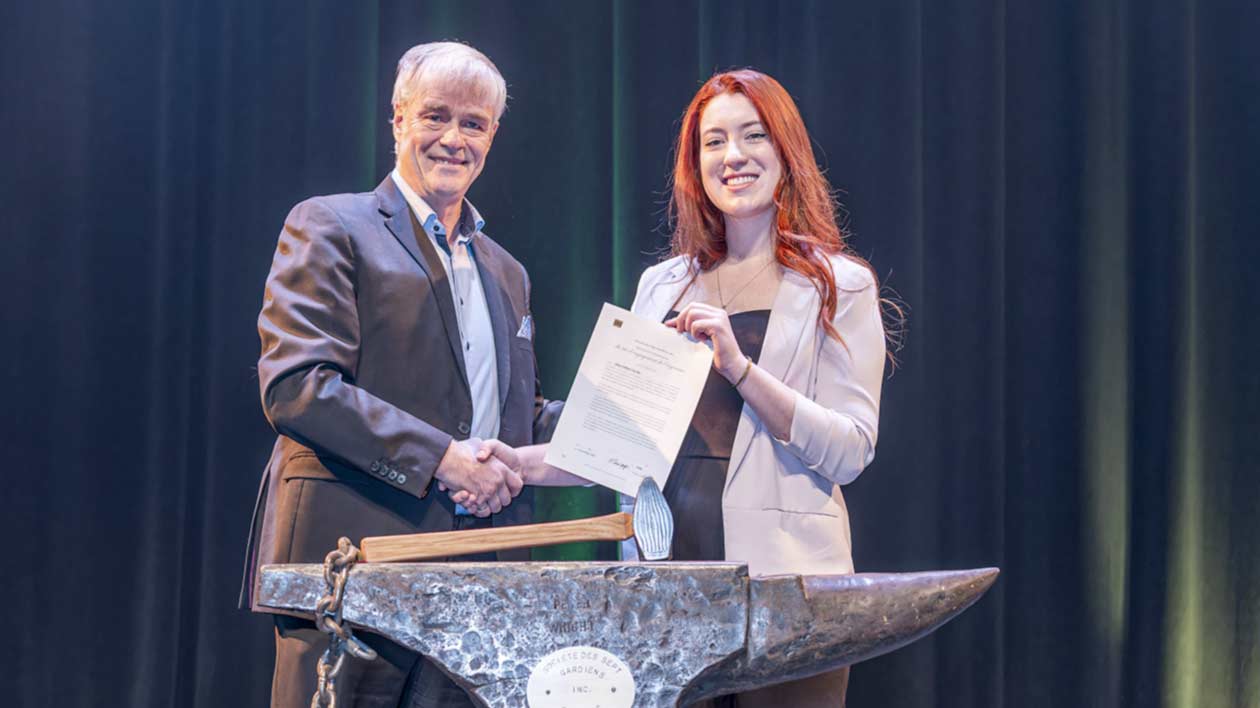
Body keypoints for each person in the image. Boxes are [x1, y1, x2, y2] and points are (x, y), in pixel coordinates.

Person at [473, 69, 890, 707]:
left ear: (786, 152)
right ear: (696, 165)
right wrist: (517, 464)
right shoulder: (662, 285)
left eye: (754, 136)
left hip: (786, 594)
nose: (734, 157)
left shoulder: (839, 286)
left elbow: (850, 451)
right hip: (665, 588)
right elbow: (615, 444)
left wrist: (741, 369)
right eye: (714, 141)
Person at [240, 41, 559, 707]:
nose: (453, 138)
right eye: (435, 116)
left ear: (493, 136)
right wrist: (443, 457)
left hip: (479, 584)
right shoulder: (330, 225)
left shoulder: (508, 271)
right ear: (398, 121)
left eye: (473, 123)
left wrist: (628, 424)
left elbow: (514, 418)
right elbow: (299, 385)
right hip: (353, 572)